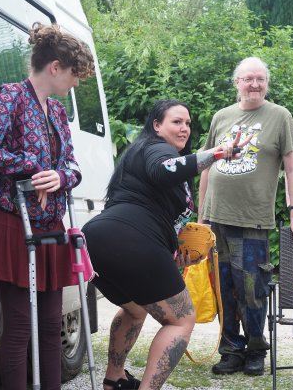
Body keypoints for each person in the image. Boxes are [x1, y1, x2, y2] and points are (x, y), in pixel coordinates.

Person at [82, 99, 249, 390]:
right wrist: (218, 153)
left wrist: (172, 251)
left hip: (95, 241)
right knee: (181, 320)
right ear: (157, 125)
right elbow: (164, 170)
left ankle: (114, 379)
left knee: (135, 310)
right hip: (133, 240)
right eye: (176, 122)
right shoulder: (157, 149)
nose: (184, 128)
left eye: (188, 123)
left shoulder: (138, 153)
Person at [0, 22, 94, 390]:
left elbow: (72, 166)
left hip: (51, 228)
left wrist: (60, 177)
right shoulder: (11, 97)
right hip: (14, 224)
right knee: (20, 327)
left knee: (51, 326)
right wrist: (32, 167)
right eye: (74, 74)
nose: (76, 83)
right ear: (55, 67)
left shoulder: (57, 113)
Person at [198, 56, 293, 376]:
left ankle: (255, 351)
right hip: (216, 220)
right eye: (248, 78)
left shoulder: (280, 116)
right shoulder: (221, 116)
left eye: (260, 79)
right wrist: (201, 216)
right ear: (237, 82)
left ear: (267, 83)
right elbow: (205, 166)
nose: (255, 84)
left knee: (252, 289)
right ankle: (231, 351)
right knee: (223, 290)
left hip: (252, 220)